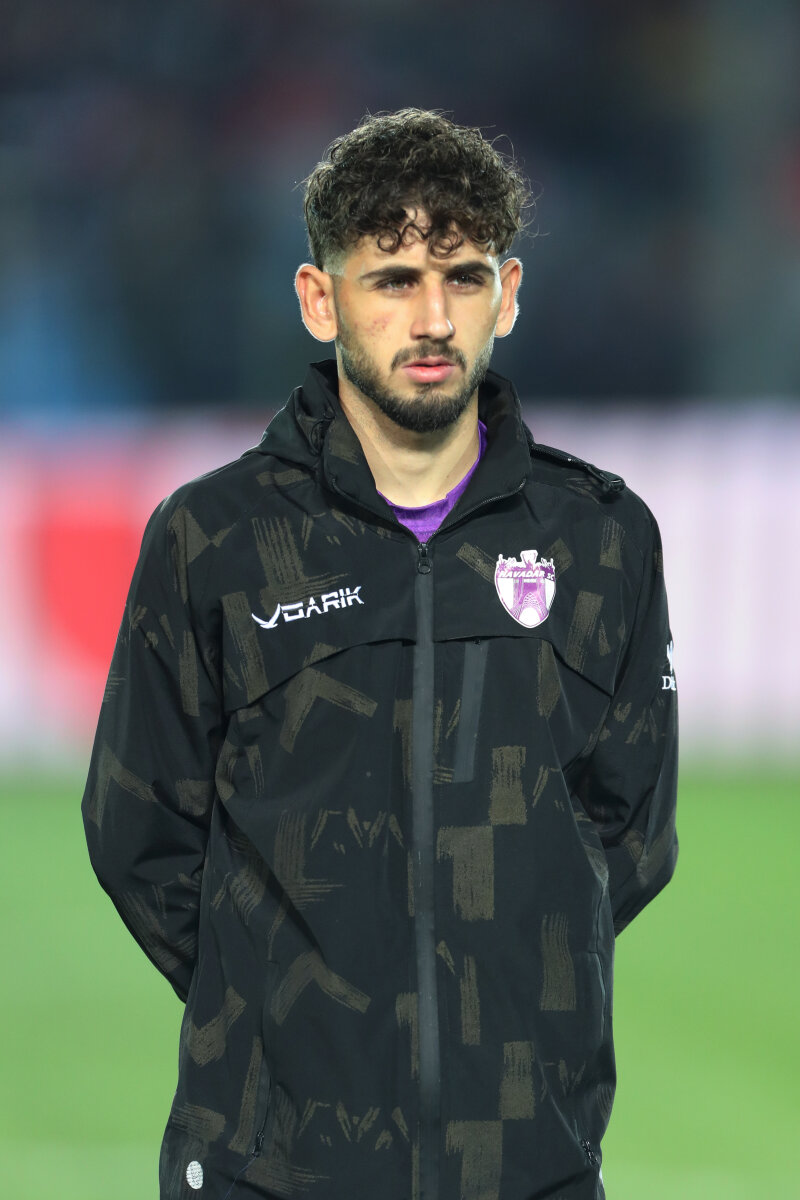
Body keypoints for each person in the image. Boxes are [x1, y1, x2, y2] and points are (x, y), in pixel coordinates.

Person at [82, 108, 678, 1200]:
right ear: (322, 300)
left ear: (507, 293)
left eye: (461, 278)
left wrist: (507, 996)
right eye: (393, 279)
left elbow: (626, 836)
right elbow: (139, 831)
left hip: (528, 1163)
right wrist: (281, 1005)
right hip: (270, 1169)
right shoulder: (211, 539)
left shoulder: (601, 539)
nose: (432, 317)